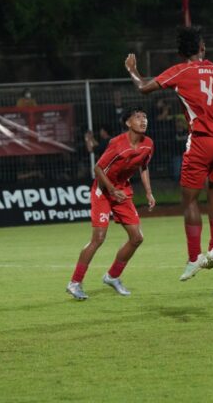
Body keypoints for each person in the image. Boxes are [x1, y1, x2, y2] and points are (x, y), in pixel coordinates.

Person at [124, 25, 213, 281]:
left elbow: (143, 87)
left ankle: (194, 257)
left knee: (189, 200)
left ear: (181, 52)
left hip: (201, 142)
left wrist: (132, 70)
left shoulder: (180, 70)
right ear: (202, 47)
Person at [66, 106, 156, 300]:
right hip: (103, 191)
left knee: (137, 238)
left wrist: (149, 192)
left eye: (145, 117)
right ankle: (74, 283)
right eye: (138, 117)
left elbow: (144, 167)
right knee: (98, 238)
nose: (143, 120)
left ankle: (112, 276)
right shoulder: (117, 144)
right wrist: (112, 189)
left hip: (122, 192)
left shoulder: (148, 144)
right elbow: (98, 168)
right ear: (128, 123)